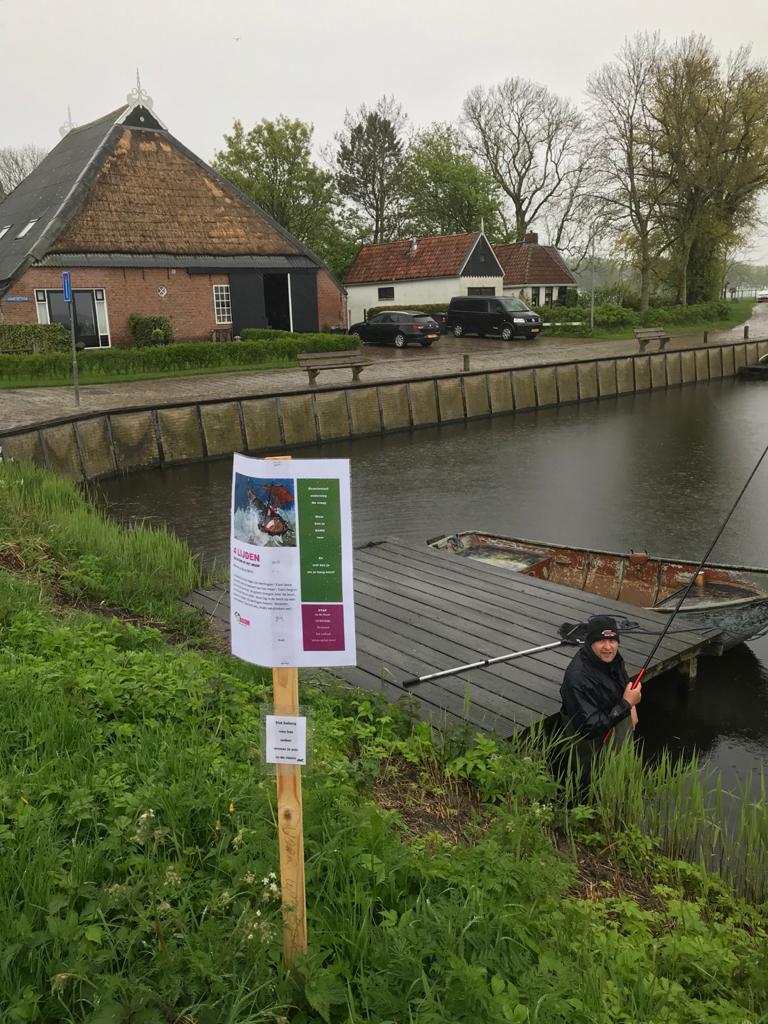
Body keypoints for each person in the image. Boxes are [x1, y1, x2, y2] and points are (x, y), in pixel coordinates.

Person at [558, 615, 642, 792]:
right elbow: (589, 727)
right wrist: (627, 704)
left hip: (612, 720)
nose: (608, 647)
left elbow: (622, 681)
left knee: (620, 776)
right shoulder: (577, 678)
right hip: (590, 738)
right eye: (601, 641)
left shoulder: (613, 658)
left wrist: (632, 707)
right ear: (589, 642)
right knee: (593, 783)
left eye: (612, 640)